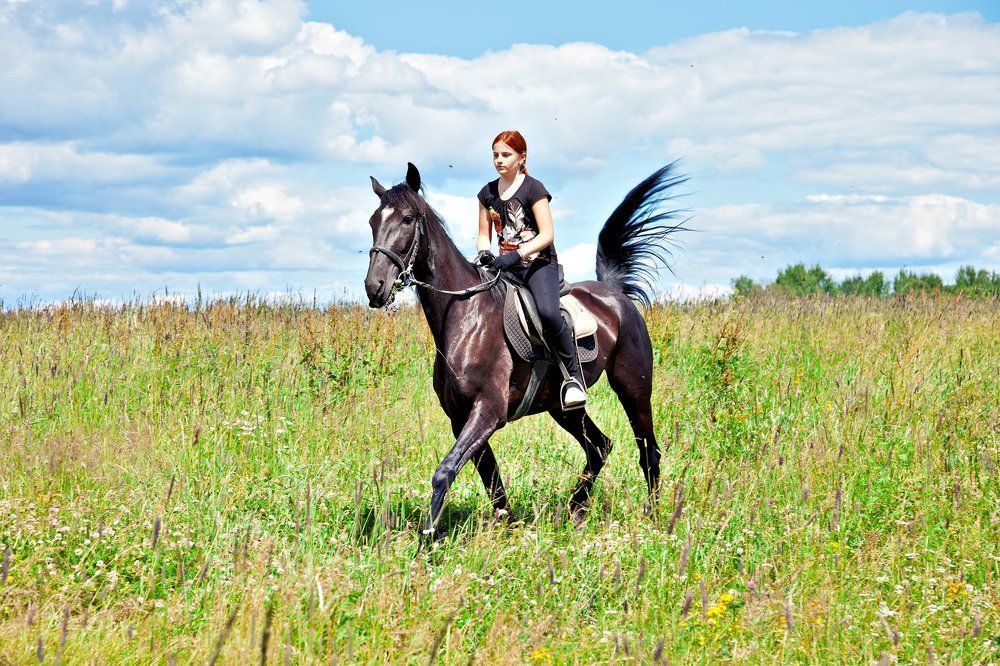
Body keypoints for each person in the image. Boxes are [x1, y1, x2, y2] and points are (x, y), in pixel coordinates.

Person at [474, 130, 586, 409]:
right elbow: (483, 234)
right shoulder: (487, 193)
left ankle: (573, 378)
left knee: (548, 313)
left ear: (521, 157)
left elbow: (547, 234)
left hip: (538, 265)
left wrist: (517, 254)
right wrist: (485, 252)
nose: (499, 160)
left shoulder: (534, 189)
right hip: (504, 268)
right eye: (495, 155)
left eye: (506, 155)